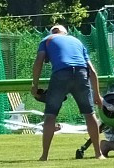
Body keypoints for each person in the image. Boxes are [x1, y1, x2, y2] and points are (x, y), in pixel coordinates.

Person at [31, 24, 105, 160]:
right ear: (65, 33)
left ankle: (44, 156)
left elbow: (39, 62)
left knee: (50, 116)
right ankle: (98, 154)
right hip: (81, 73)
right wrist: (97, 95)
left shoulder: (47, 40)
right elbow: (92, 71)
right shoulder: (77, 41)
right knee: (90, 114)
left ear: (52, 32)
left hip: (60, 74)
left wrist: (34, 85)